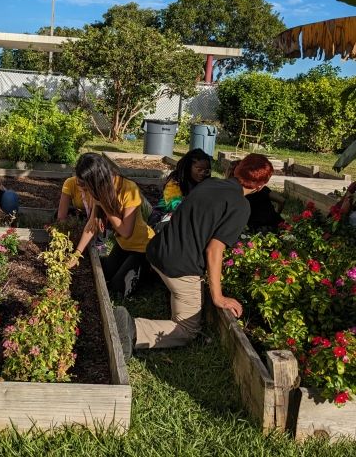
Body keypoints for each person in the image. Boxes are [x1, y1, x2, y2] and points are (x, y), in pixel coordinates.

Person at [114, 153, 273, 359]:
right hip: (178, 267)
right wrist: (218, 296)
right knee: (187, 329)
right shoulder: (241, 206)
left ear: (236, 169)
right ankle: (131, 329)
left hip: (156, 251)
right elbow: (214, 250)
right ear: (260, 186)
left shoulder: (210, 183)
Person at [74, 153, 155, 298]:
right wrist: (77, 253)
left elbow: (126, 231)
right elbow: (91, 226)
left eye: (86, 188)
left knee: (118, 289)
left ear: (96, 181)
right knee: (103, 274)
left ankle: (150, 269)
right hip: (123, 246)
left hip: (143, 248)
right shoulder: (100, 193)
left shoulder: (129, 189)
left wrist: (103, 205)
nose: (84, 192)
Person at [149, 149, 211, 231]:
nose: (202, 173)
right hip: (165, 215)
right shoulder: (176, 182)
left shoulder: (206, 183)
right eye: (199, 169)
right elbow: (173, 204)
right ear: (189, 167)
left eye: (206, 171)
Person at [226, 159, 285, 232]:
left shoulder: (235, 191)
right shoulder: (260, 187)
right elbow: (282, 200)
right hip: (278, 225)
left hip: (258, 228)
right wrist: (276, 214)